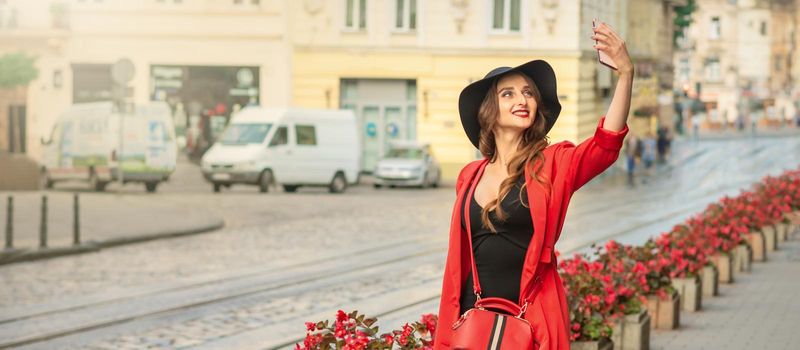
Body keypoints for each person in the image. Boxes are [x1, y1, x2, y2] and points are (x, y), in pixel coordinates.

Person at [435, 21, 633, 349]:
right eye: (508, 93)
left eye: (528, 92)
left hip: (531, 323)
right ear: (489, 111)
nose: (523, 99)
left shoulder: (553, 164)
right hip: (473, 321)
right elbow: (459, 265)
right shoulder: (468, 176)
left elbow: (605, 145)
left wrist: (625, 74)